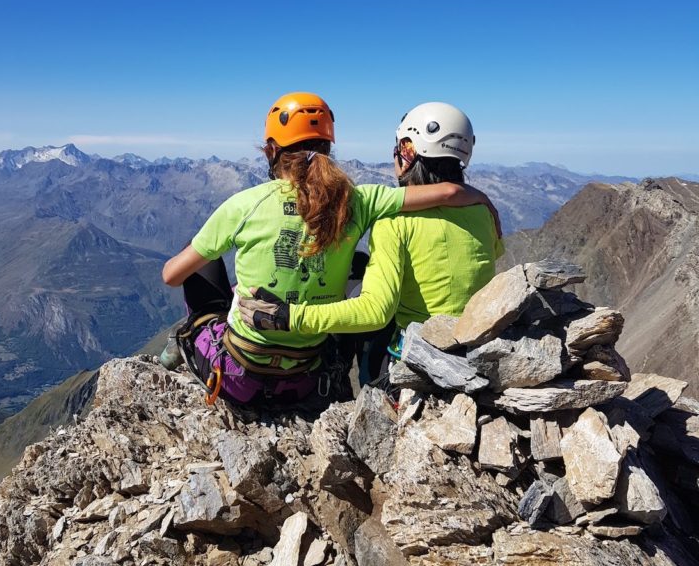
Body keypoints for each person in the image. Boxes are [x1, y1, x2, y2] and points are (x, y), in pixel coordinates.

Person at [162, 93, 501, 407]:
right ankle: (340, 381)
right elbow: (447, 195)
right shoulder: (362, 200)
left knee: (196, 260)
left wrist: (280, 311)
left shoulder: (243, 205)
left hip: (240, 378)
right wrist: (481, 199)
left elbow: (170, 276)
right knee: (357, 264)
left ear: (270, 150)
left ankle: (176, 351)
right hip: (309, 377)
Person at [239, 102, 503, 378]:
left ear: (407, 152)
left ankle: (342, 373)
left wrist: (288, 316)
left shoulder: (394, 222)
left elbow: (375, 311)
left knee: (360, 297)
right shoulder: (483, 212)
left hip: (424, 354)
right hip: (478, 345)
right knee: (361, 267)